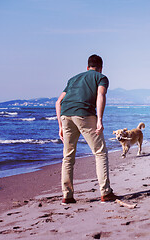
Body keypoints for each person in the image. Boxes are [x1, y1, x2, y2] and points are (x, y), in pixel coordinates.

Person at [55, 54, 117, 205]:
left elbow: (58, 102)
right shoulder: (101, 77)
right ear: (101, 68)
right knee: (100, 152)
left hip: (65, 115)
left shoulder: (73, 79)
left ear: (87, 67)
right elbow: (100, 95)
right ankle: (105, 192)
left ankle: (67, 196)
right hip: (84, 114)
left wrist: (60, 126)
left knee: (68, 157)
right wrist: (100, 120)